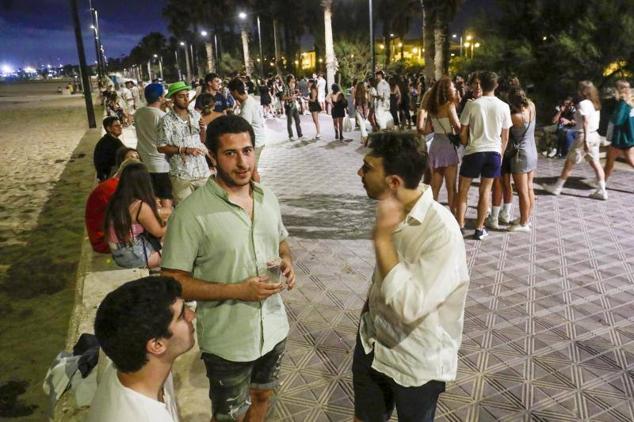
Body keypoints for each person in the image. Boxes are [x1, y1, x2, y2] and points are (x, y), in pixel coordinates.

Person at [160, 115, 295, 422]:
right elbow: (171, 281)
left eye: (247, 151)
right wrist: (238, 291)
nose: (242, 162)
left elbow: (282, 242)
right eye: (230, 153)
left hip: (274, 328)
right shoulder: (191, 214)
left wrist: (287, 261)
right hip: (228, 342)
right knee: (229, 414)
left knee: (263, 395)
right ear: (212, 156)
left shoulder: (267, 198)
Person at [354, 131, 469, 422]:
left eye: (367, 168)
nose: (360, 172)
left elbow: (409, 306)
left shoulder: (441, 231)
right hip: (372, 344)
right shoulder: (393, 209)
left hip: (416, 363)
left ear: (393, 182)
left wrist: (381, 240)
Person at [86, 276, 195, 422]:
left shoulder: (132, 363)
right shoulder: (146, 417)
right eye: (182, 316)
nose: (192, 316)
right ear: (157, 345)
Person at [456, 71, 512, 240]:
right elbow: (506, 136)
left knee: (463, 190)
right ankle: (479, 229)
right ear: (496, 86)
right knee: (485, 191)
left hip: (474, 150)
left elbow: (463, 131)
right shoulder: (504, 106)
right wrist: (500, 154)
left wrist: (467, 143)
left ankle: (460, 226)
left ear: (482, 84)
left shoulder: (472, 105)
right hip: (494, 152)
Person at [543, 80, 607, 200]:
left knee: (569, 163)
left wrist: (586, 140)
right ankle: (602, 191)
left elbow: (586, 122)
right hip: (595, 135)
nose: (577, 91)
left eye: (579, 88)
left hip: (584, 136)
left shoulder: (584, 104)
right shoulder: (595, 103)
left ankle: (557, 187)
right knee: (596, 164)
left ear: (583, 91)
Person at [105, 162, 168, 268]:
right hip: (134, 256)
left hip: (119, 253)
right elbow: (158, 232)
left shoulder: (117, 199)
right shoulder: (140, 206)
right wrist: (171, 221)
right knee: (181, 251)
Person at [157, 81, 211, 204]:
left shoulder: (196, 115)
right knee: (185, 211)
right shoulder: (166, 121)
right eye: (181, 96)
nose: (186, 99)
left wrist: (203, 129)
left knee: (206, 207)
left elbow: (202, 140)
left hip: (202, 171)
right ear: (173, 99)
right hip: (181, 174)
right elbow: (161, 147)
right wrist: (184, 150)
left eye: (187, 95)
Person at [498, 88, 537, 232]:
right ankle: (526, 217)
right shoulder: (532, 106)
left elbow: (503, 129)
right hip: (533, 151)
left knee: (522, 191)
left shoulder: (515, 117)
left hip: (521, 155)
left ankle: (524, 223)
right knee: (529, 187)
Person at [85, 149, 139, 254]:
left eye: (137, 157)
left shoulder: (114, 184)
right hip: (105, 241)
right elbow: (133, 214)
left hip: (104, 235)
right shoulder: (114, 189)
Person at [422, 76, 461, 209]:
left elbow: (426, 130)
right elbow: (457, 127)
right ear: (446, 90)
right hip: (448, 146)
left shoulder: (432, 107)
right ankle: (453, 216)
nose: (454, 88)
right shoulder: (449, 106)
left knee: (435, 187)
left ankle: (431, 216)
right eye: (452, 87)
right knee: (451, 187)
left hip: (436, 144)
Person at [135, 83, 173, 209]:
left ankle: (154, 225)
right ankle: (166, 225)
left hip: (145, 161)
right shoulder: (162, 116)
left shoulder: (138, 113)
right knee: (166, 196)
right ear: (160, 98)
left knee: (153, 197)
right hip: (161, 163)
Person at [228, 77, 267, 182]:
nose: (231, 95)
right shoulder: (249, 99)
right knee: (253, 170)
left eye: (231, 93)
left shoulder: (247, 107)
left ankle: (257, 193)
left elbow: (243, 127)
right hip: (259, 140)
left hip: (255, 142)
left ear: (236, 92)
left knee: (252, 171)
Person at [603, 80, 634, 182]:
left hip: (621, 138)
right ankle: (601, 182)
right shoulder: (631, 101)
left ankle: (600, 183)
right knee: (611, 160)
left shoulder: (623, 103)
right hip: (628, 136)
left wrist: (612, 117)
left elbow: (617, 120)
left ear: (619, 89)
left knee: (610, 160)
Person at [94, 116, 125, 182]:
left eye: (120, 125)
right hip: (110, 177)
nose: (120, 127)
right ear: (109, 128)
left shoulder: (111, 139)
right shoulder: (108, 143)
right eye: (116, 126)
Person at [282, 74, 304, 141]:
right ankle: (291, 136)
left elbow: (294, 96)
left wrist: (297, 95)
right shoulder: (286, 87)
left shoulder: (293, 86)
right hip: (289, 106)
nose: (294, 79)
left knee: (298, 121)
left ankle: (300, 135)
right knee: (290, 122)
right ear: (290, 79)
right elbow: (283, 97)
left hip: (294, 105)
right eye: (293, 78)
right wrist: (291, 97)